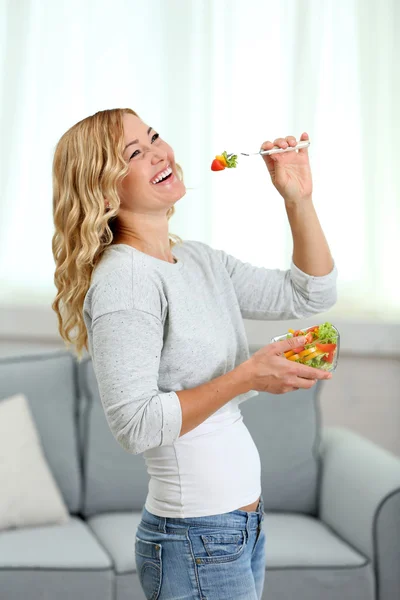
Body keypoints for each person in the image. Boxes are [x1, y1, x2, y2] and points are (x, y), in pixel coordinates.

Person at [51, 108, 337, 600]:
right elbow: (135, 425)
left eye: (154, 136)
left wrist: (298, 201)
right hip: (195, 539)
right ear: (102, 191)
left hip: (237, 528)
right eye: (134, 153)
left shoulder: (199, 260)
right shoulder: (127, 280)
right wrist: (248, 376)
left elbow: (310, 294)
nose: (160, 152)